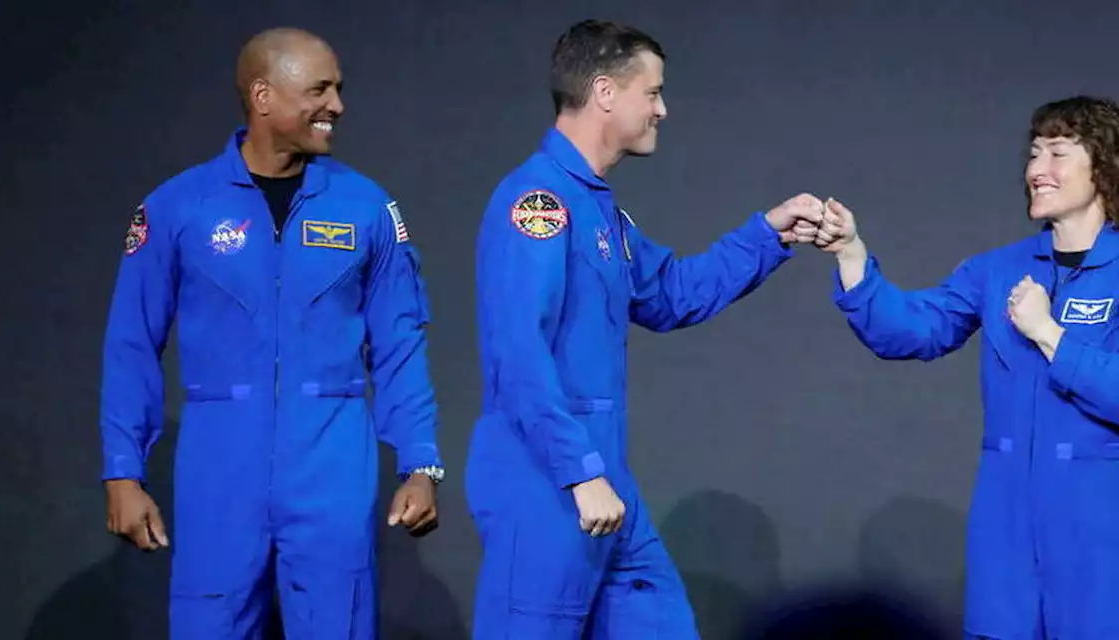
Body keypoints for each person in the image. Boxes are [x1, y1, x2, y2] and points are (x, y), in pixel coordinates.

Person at [468, 19, 824, 638]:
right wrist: (579, 471)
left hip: (605, 478)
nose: (663, 108)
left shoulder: (598, 207)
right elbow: (519, 350)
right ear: (606, 92)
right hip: (547, 481)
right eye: (652, 92)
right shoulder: (539, 202)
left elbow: (671, 294)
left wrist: (767, 236)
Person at [99, 27, 443, 639]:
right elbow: (131, 345)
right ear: (263, 96)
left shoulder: (367, 208)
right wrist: (123, 473)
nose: (336, 106)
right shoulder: (179, 206)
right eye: (319, 89)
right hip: (219, 472)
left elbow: (400, 343)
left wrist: (420, 462)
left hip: (332, 470)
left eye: (338, 89)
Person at [817, 95, 1119, 640]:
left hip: (1099, 539)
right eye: (1032, 155)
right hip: (1006, 538)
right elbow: (914, 330)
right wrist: (852, 256)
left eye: (1056, 153)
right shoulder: (998, 271)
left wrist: (1050, 335)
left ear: (1102, 164)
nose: (1036, 170)